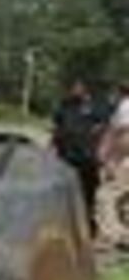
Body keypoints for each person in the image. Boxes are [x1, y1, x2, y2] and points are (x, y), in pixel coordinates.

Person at [53, 80, 105, 227]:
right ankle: (65, 223)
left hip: (87, 159)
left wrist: (98, 149)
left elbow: (103, 129)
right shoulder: (64, 106)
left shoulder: (97, 107)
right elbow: (56, 127)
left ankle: (87, 225)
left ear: (86, 89)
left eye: (78, 87)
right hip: (66, 158)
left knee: (87, 194)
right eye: (73, 87)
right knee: (64, 193)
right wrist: (53, 147)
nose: (75, 90)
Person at [96, 83, 129, 250]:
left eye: (113, 92)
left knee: (105, 196)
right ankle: (124, 235)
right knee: (123, 201)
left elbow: (123, 136)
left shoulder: (125, 107)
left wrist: (112, 159)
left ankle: (110, 237)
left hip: (123, 162)